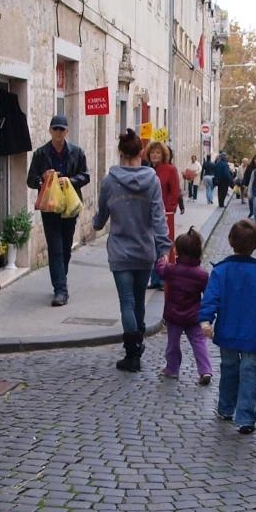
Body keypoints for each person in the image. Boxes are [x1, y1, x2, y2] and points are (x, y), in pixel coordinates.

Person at [93, 129, 171, 372]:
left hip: (120, 250)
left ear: (120, 153)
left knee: (126, 302)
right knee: (138, 301)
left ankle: (132, 354)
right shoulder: (152, 181)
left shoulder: (109, 181)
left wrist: (96, 223)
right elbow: (158, 217)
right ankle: (137, 346)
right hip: (144, 249)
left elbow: (101, 217)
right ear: (141, 153)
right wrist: (164, 248)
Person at [199, 219, 256, 434]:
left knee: (229, 369)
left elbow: (211, 299)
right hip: (255, 336)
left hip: (228, 332)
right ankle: (245, 417)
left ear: (230, 241)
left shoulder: (221, 271)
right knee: (249, 373)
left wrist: (206, 320)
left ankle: (225, 407)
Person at [26, 114, 90, 306]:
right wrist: (43, 179)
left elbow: (85, 176)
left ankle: (61, 279)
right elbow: (30, 180)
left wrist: (70, 180)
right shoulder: (40, 154)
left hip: (70, 206)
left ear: (67, 132)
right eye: (56, 129)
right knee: (55, 248)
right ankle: (60, 290)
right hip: (50, 207)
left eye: (62, 129)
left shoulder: (77, 152)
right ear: (50, 131)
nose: (59, 133)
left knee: (65, 247)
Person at [155, 227, 212, 384]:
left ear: (178, 251)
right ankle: (205, 370)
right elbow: (208, 294)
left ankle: (172, 369)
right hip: (194, 315)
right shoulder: (202, 274)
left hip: (174, 315)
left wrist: (163, 258)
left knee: (173, 344)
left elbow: (160, 271)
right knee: (199, 343)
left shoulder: (172, 270)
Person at [146, 141, 183, 289]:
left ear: (163, 155)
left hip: (163, 213)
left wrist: (170, 211)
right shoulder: (146, 170)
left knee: (162, 246)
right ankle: (154, 279)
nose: (154, 155)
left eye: (158, 153)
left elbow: (174, 192)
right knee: (151, 247)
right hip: (148, 214)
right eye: (152, 152)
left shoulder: (170, 170)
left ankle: (163, 278)